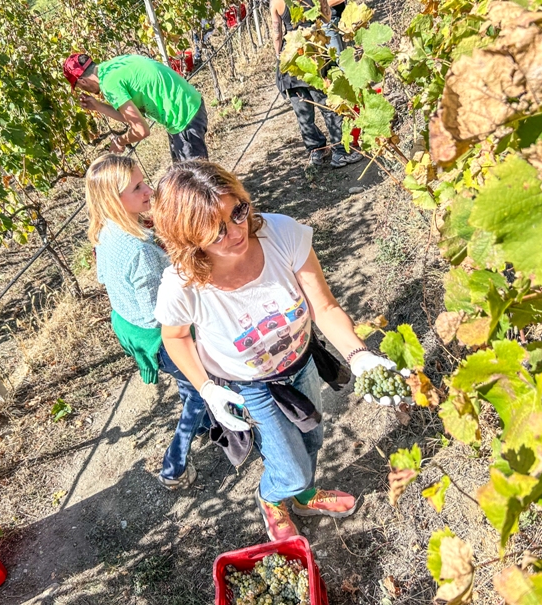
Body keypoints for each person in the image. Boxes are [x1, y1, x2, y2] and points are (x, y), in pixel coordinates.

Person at [152, 161, 399, 541]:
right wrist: (206, 388)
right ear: (189, 240)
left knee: (313, 439)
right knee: (292, 466)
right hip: (250, 385)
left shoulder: (280, 233)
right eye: (216, 231)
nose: (236, 231)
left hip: (301, 362)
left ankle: (302, 497)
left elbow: (324, 307)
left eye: (237, 211)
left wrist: (358, 355)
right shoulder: (183, 284)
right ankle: (273, 497)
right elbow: (175, 337)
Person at [85, 153, 208, 490]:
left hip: (127, 324)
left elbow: (105, 277)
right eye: (137, 187)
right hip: (154, 332)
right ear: (114, 199)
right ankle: (174, 465)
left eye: (143, 181)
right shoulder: (140, 248)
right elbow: (162, 310)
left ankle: (203, 425)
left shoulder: (106, 231)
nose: (148, 189)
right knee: (202, 385)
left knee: (186, 380)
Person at [64, 53, 209, 162]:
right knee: (183, 181)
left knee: (198, 188)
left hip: (183, 118)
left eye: (78, 87)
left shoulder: (109, 85)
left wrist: (120, 141)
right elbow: (133, 118)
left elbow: (141, 130)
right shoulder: (114, 65)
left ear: (82, 81)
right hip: (189, 104)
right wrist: (98, 106)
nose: (84, 91)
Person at [270, 0, 362, 168]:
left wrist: (280, 55)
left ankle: (316, 151)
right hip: (313, 51)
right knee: (328, 106)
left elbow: (276, 32)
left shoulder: (275, 1)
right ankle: (340, 152)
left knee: (303, 112)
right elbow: (327, 18)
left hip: (291, 55)